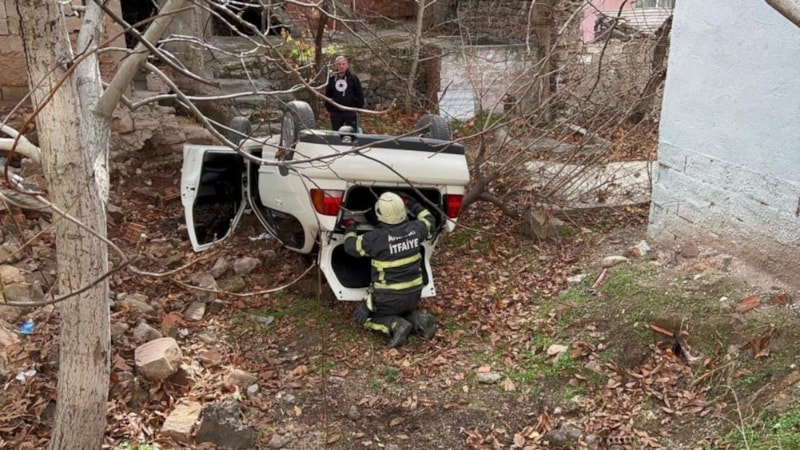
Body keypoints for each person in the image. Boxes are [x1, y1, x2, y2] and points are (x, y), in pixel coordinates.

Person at [342, 192, 437, 348]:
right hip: (414, 294)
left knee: (368, 319)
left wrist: (350, 227)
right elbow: (429, 219)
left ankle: (395, 325)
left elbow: (350, 246)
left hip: (388, 297)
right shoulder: (415, 229)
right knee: (403, 310)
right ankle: (418, 319)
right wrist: (411, 202)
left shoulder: (375, 238)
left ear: (379, 213)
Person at [325, 55, 365, 132]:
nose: (341, 66)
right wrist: (330, 110)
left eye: (343, 64)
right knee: (336, 135)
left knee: (353, 134)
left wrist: (356, 108)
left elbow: (359, 93)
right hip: (335, 113)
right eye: (339, 64)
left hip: (350, 111)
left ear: (347, 65)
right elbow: (328, 94)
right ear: (336, 66)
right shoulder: (331, 79)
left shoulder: (353, 78)